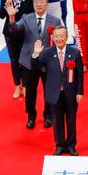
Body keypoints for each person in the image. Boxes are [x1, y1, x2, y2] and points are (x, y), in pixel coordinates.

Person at [5, 0, 63, 129]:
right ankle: (31, 116)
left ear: (47, 4)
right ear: (33, 4)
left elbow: (60, 39)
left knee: (49, 90)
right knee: (30, 92)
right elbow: (15, 31)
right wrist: (12, 17)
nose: (39, 4)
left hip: (48, 62)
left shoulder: (55, 21)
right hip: (29, 61)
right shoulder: (26, 18)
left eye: (42, 1)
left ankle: (48, 115)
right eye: (36, 2)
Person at [31, 26, 84, 155]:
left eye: (62, 36)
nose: (59, 38)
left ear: (66, 37)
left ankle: (71, 145)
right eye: (56, 36)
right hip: (54, 93)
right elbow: (35, 68)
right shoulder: (47, 53)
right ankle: (60, 145)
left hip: (71, 93)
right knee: (57, 120)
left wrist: (80, 92)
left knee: (71, 120)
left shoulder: (75, 53)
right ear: (52, 38)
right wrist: (35, 54)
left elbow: (79, 74)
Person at [0, 0, 33, 99]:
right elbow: (2, 16)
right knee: (14, 61)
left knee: (24, 60)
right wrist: (7, 3)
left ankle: (25, 86)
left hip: (24, 33)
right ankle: (17, 86)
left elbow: (31, 16)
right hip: (9, 33)